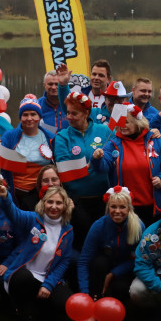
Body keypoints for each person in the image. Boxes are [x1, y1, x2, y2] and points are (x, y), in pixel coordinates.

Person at [0, 185, 75, 321]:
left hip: (45, 277)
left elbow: (64, 261)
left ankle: (40, 309)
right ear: (43, 203)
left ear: (64, 205)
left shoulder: (68, 230)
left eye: (58, 203)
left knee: (64, 303)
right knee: (24, 279)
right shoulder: (33, 219)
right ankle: (25, 320)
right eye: (49, 202)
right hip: (22, 274)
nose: (53, 206)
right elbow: (14, 214)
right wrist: (6, 197)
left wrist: (49, 284)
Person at [93, 102, 161, 226]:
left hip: (153, 205)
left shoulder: (155, 140)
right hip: (126, 208)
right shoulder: (113, 143)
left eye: (127, 122)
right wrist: (97, 159)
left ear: (137, 122)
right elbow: (103, 167)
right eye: (120, 122)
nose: (123, 126)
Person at [53, 91, 112, 249]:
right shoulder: (62, 136)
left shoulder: (104, 131)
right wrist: (90, 163)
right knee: (82, 243)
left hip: (102, 198)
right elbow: (63, 166)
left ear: (86, 113)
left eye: (75, 113)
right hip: (76, 200)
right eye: (68, 113)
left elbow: (112, 159)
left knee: (102, 243)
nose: (70, 117)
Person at [78, 186, 143, 303]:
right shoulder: (98, 226)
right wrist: (84, 291)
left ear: (129, 209)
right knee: (99, 263)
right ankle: (94, 298)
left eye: (122, 207)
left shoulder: (138, 226)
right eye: (113, 206)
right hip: (102, 266)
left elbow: (138, 259)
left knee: (120, 288)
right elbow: (84, 261)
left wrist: (112, 274)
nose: (117, 211)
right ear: (108, 208)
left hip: (125, 269)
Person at [0, 94, 56, 209]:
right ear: (20, 117)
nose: (29, 118)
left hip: (43, 193)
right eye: (25, 115)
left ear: (39, 117)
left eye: (33, 114)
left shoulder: (50, 137)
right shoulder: (10, 136)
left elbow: (57, 165)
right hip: (16, 192)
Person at [39, 69, 68, 133]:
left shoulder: (70, 104)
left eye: (57, 84)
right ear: (44, 85)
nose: (54, 87)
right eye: (50, 84)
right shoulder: (37, 105)